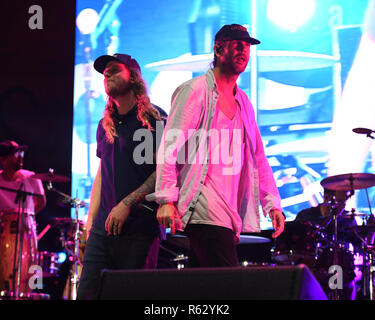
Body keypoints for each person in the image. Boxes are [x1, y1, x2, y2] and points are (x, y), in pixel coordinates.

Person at [147, 24, 285, 268]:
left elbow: (258, 158)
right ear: (219, 49)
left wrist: (272, 203)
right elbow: (170, 146)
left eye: (247, 46)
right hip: (203, 208)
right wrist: (166, 199)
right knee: (228, 283)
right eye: (236, 44)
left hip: (228, 213)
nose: (243, 50)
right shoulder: (194, 91)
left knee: (203, 285)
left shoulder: (243, 102)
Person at [77, 53, 167, 300]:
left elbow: (165, 171)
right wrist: (90, 222)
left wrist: (127, 203)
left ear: (133, 76)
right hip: (102, 229)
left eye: (115, 70)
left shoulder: (153, 119)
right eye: (105, 72)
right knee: (87, 294)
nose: (107, 75)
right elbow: (102, 175)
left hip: (140, 227)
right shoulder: (105, 124)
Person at [294, 188, 359, 300]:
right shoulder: (305, 215)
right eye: (343, 196)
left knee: (344, 279)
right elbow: (296, 243)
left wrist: (371, 232)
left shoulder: (348, 218)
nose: (346, 200)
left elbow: (360, 246)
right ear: (328, 196)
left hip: (339, 267)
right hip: (311, 265)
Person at [0, 140, 46, 214]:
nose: (20, 157)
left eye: (21, 153)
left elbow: (41, 203)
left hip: (26, 225)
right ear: (3, 159)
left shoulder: (32, 178)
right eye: (16, 154)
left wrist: (27, 217)